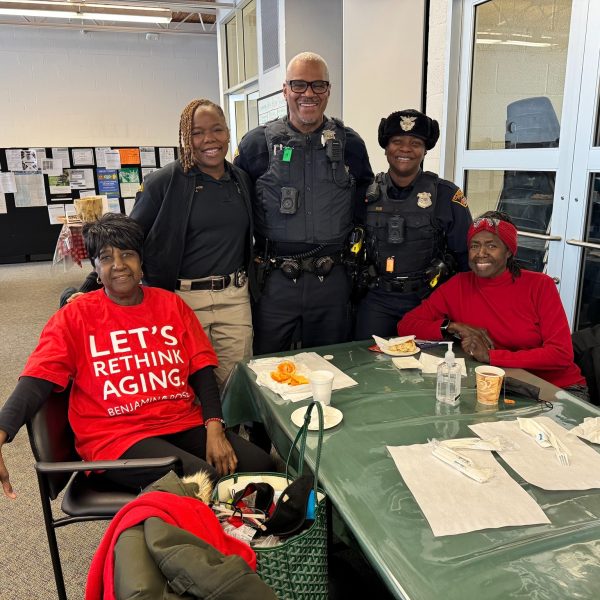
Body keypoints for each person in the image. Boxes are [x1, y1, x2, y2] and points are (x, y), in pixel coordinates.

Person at [0, 214, 274, 499]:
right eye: (106, 258)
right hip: (117, 437)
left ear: (141, 261)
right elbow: (36, 379)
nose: (118, 265)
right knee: (203, 479)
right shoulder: (74, 317)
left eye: (127, 254)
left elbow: (202, 370)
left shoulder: (171, 305)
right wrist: (2, 430)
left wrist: (215, 428)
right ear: (95, 267)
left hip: (180, 421)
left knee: (263, 466)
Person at [64, 98, 254, 389]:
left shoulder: (241, 179)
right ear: (185, 138)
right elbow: (126, 239)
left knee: (235, 381)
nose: (209, 140)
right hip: (182, 299)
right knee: (184, 380)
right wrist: (89, 287)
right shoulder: (163, 183)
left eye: (217, 130)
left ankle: (226, 433)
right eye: (197, 133)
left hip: (234, 297)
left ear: (228, 133)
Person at [234, 51, 373, 354]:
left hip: (333, 279)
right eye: (299, 85)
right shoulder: (256, 144)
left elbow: (365, 204)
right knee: (268, 368)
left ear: (328, 91)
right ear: (285, 90)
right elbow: (237, 209)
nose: (308, 93)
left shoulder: (350, 144)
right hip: (274, 282)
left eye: (318, 85)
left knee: (334, 366)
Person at [397, 211, 589, 397]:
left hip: (556, 389)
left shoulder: (540, 285)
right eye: (474, 246)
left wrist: (491, 356)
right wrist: (451, 326)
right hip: (497, 386)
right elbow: (406, 325)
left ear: (508, 252)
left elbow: (560, 355)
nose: (481, 253)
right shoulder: (458, 285)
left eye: (491, 246)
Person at [354, 109, 473, 340]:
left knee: (425, 369)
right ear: (386, 147)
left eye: (415, 143)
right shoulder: (366, 194)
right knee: (367, 363)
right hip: (378, 300)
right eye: (397, 141)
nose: (405, 149)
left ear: (425, 149)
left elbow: (464, 257)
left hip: (428, 300)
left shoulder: (446, 195)